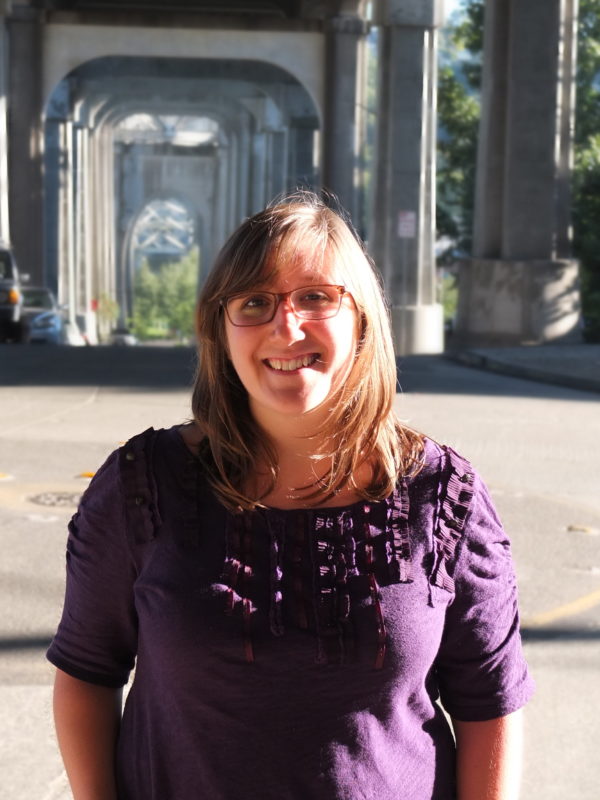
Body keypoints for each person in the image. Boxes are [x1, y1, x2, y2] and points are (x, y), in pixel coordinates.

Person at [47, 191, 534, 800]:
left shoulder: (441, 496)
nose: (287, 325)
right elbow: (87, 672)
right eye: (255, 301)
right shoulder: (142, 487)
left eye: (316, 297)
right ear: (220, 329)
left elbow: (490, 702)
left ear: (361, 318)